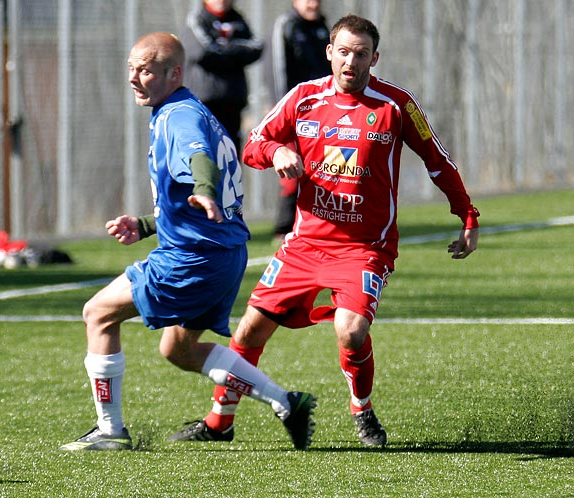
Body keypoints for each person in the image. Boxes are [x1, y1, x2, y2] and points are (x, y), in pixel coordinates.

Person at [169, 14, 480, 448]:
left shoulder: (395, 105)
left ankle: (362, 410)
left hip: (363, 248)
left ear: (375, 58)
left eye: (362, 54)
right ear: (330, 53)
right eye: (344, 52)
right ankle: (220, 422)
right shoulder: (303, 99)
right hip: (304, 245)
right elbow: (253, 145)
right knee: (247, 334)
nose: (351, 62)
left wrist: (467, 216)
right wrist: (277, 151)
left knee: (351, 332)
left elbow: (438, 161)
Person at [59, 32, 316, 452]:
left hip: (194, 258)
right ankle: (287, 402)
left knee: (98, 313)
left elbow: (200, 163)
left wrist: (205, 188)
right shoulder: (186, 111)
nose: (134, 79)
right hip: (224, 253)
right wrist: (144, 224)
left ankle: (110, 431)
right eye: (131, 69)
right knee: (177, 348)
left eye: (145, 70)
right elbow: (188, 196)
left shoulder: (179, 117)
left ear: (174, 73)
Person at [265, 0, 331, 240]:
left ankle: (317, 223)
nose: (313, 4)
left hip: (324, 112)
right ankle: (283, 227)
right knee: (292, 169)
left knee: (324, 168)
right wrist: (284, 111)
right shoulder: (286, 25)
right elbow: (276, 69)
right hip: (295, 114)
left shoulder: (325, 28)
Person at [180, 0, 264, 152]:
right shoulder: (198, 19)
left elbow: (256, 48)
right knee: (205, 157)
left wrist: (223, 47)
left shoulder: (238, 20)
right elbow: (203, 52)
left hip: (232, 105)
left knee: (231, 159)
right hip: (204, 105)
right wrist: (236, 53)